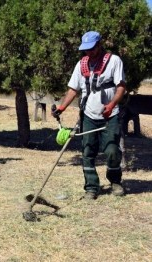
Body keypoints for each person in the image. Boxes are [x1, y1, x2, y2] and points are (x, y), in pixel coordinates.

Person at [52, 31, 126, 200]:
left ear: (99, 45)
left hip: (110, 115)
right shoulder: (81, 64)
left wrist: (112, 104)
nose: (89, 52)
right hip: (88, 116)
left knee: (112, 150)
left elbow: (121, 87)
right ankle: (91, 187)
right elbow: (73, 89)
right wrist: (62, 107)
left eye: (92, 48)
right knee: (87, 152)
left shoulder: (114, 61)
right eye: (86, 49)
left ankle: (115, 182)